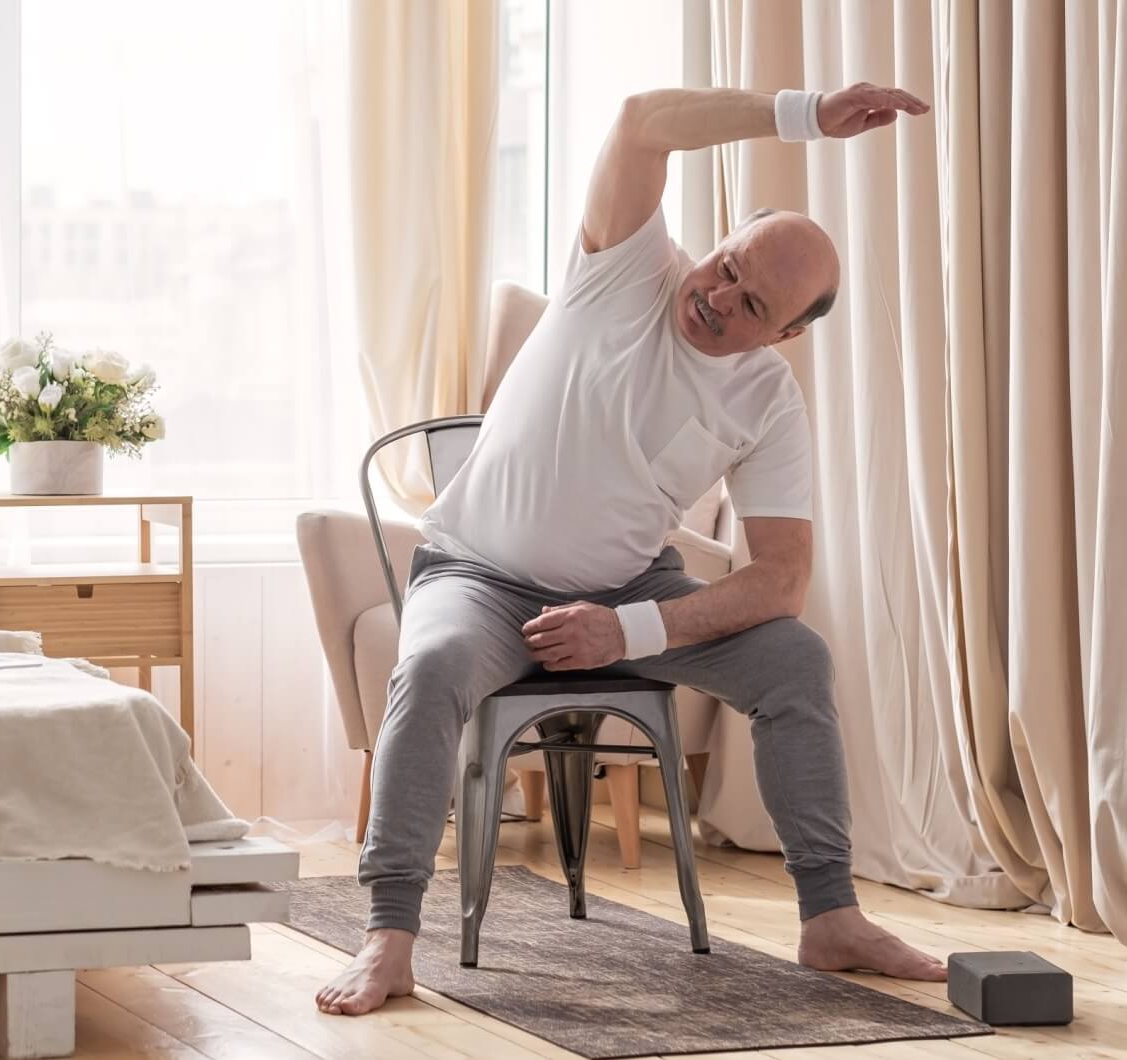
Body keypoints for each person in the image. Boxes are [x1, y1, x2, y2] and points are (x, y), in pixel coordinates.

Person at [317, 82, 940, 1018]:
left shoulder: (769, 403)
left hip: (624, 592)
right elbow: (641, 119)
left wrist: (628, 628)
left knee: (795, 660)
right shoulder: (629, 267)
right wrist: (806, 113)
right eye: (726, 265)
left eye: (751, 302)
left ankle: (830, 916)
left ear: (786, 334)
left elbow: (783, 580)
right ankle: (389, 936)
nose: (717, 297)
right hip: (478, 572)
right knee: (435, 660)